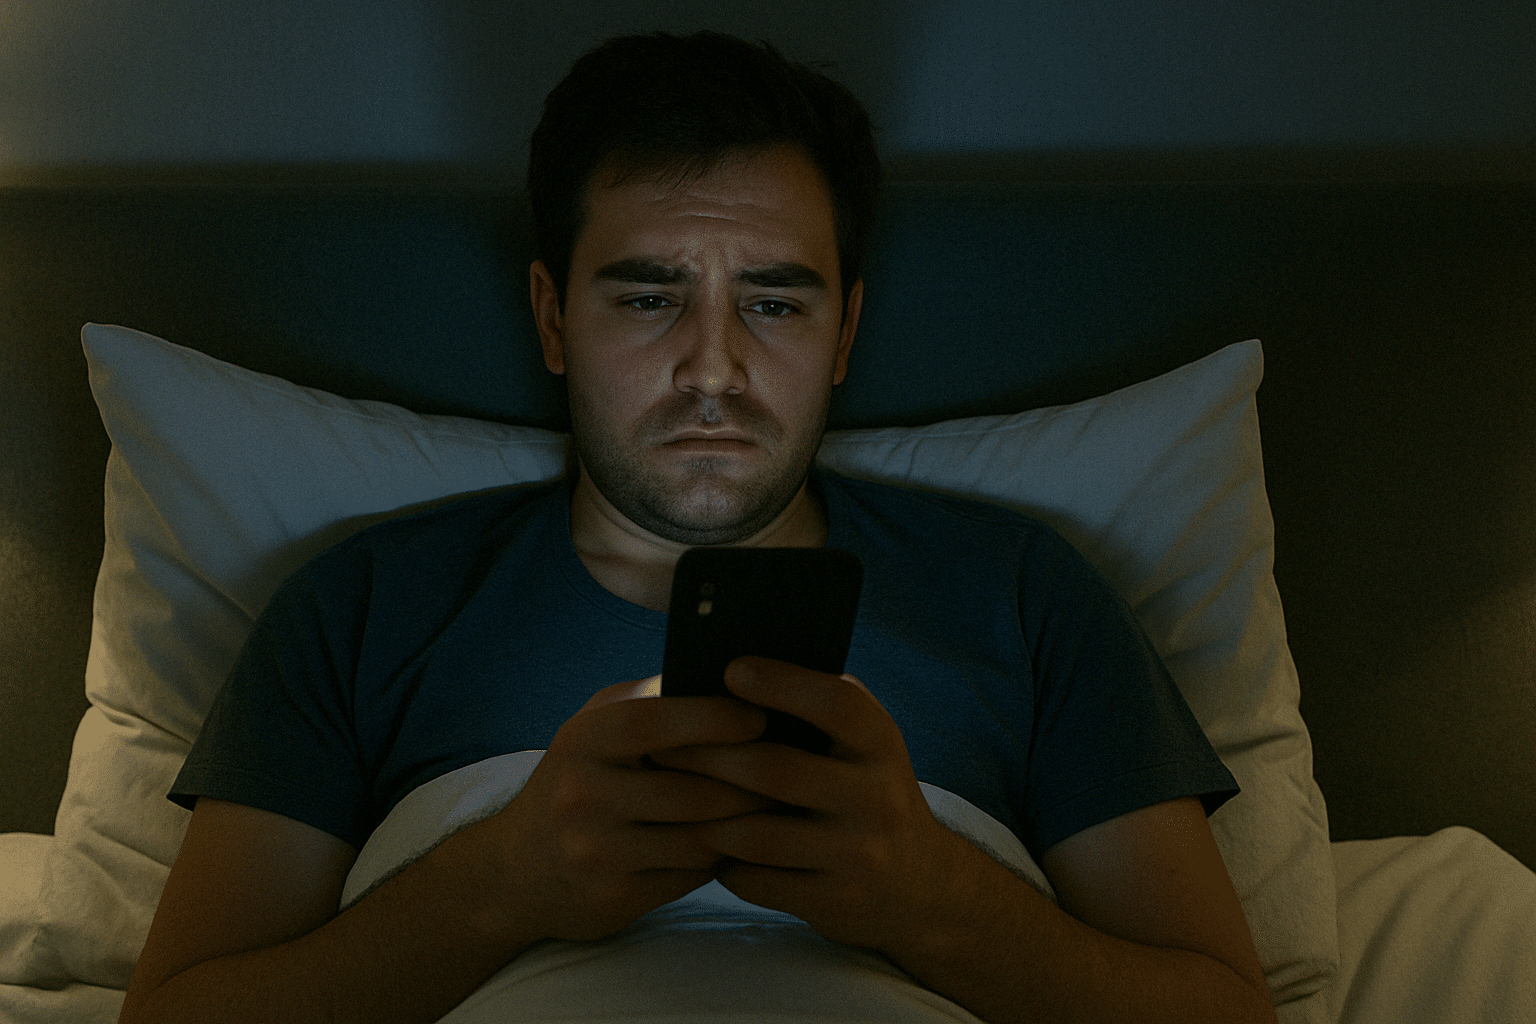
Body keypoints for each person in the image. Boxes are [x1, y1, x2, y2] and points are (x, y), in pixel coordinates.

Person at [118, 31, 1277, 1024]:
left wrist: (931, 898)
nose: (713, 367)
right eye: (646, 296)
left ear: (844, 334)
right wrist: (500, 888)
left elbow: (1230, 1012)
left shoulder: (1023, 595)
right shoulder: (364, 608)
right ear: (552, 318)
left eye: (774, 302)